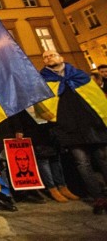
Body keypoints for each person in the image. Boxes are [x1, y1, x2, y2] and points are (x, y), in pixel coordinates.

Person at [39, 50, 107, 214]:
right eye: (45, 56)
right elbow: (43, 106)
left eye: (52, 54)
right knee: (82, 164)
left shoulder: (80, 75)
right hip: (69, 128)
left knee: (103, 160)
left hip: (92, 125)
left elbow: (97, 98)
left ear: (61, 58)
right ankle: (98, 196)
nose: (49, 57)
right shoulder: (43, 81)